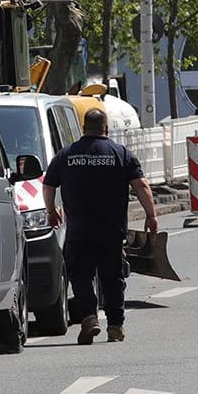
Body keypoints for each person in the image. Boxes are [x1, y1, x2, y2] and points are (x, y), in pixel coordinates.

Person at [40, 106, 157, 345]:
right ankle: (115, 326)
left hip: (79, 231)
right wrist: (151, 215)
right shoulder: (120, 153)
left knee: (80, 275)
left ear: (84, 128)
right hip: (111, 230)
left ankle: (89, 318)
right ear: (106, 128)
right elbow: (141, 185)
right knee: (112, 277)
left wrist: (51, 211)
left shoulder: (66, 155)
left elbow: (48, 185)